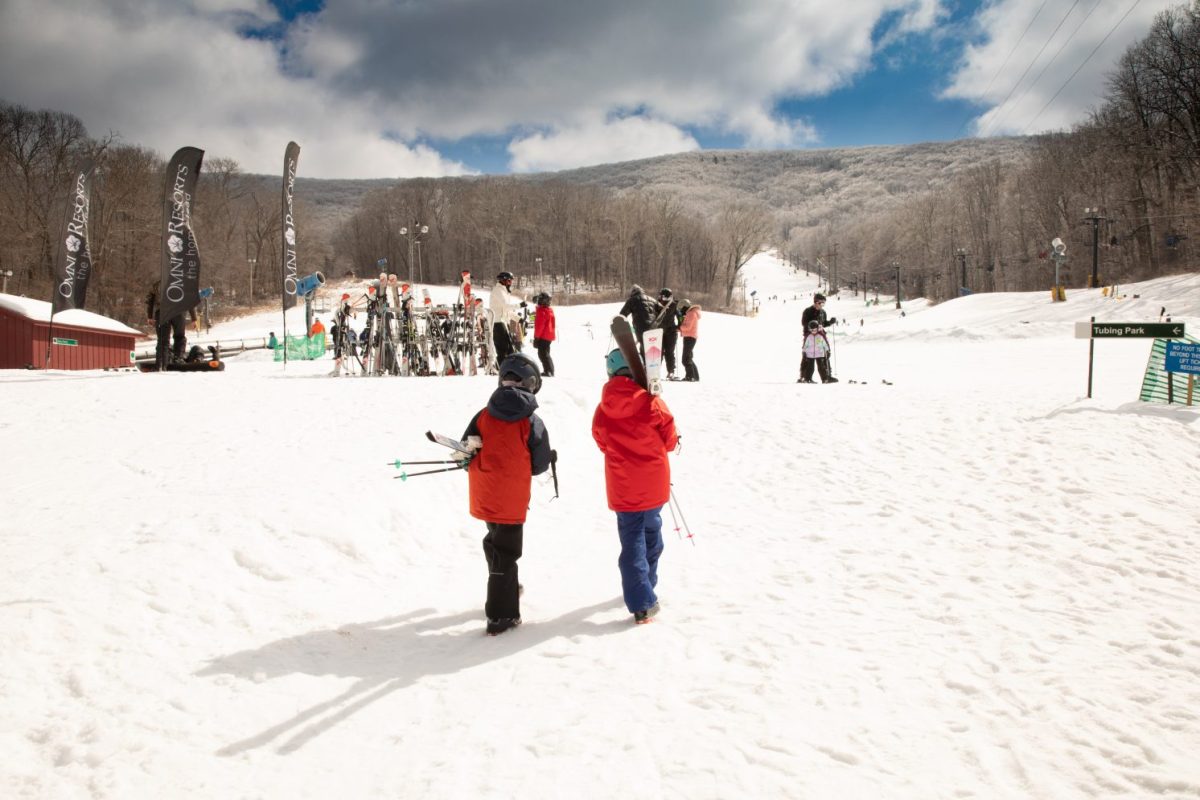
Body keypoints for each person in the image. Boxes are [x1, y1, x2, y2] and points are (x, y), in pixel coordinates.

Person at [460, 352, 553, 636]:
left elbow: (466, 447)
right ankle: (501, 615)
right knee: (506, 552)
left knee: (495, 541)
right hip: (511, 498)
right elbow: (540, 463)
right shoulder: (531, 420)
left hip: (485, 490)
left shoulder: (484, 414)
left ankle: (506, 587)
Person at [592, 348, 679, 624]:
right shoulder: (652, 402)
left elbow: (601, 441)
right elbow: (670, 441)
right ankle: (642, 599)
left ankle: (642, 585)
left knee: (633, 540)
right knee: (651, 536)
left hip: (624, 486)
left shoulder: (603, 409)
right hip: (653, 484)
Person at [145, 280, 197, 369]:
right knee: (179, 336)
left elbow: (150, 300)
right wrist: (194, 318)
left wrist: (150, 316)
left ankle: (161, 364)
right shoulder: (183, 282)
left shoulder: (157, 284)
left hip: (162, 312)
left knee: (163, 340)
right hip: (179, 311)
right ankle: (178, 360)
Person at [799, 293, 838, 383]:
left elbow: (823, 323)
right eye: (821, 303)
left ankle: (827, 376)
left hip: (820, 336)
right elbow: (804, 323)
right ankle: (804, 377)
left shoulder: (823, 312)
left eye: (824, 303)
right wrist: (813, 326)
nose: (822, 305)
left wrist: (830, 322)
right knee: (808, 356)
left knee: (824, 354)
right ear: (816, 302)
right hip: (809, 335)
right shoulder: (808, 311)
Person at [490, 271, 524, 363]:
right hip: (497, 323)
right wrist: (519, 305)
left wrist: (518, 319)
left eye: (511, 281)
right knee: (503, 349)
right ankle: (501, 369)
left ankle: (509, 369)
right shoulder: (498, 290)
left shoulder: (504, 292)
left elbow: (507, 310)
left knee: (510, 349)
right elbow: (506, 305)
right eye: (509, 281)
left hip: (503, 322)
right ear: (503, 280)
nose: (511, 283)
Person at [618, 284, 660, 358]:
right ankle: (653, 365)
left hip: (641, 328)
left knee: (644, 347)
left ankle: (644, 365)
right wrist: (657, 321)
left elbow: (622, 314)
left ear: (633, 292)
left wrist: (620, 326)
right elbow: (663, 311)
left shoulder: (632, 300)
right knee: (651, 347)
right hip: (654, 327)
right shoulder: (652, 299)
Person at [653, 288, 680, 379]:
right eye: (660, 295)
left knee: (669, 352)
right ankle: (655, 372)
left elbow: (680, 316)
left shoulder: (674, 304)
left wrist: (678, 326)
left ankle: (671, 371)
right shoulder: (656, 304)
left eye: (662, 295)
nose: (660, 297)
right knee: (658, 353)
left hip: (671, 332)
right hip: (659, 332)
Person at [533, 292, 556, 377]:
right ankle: (548, 370)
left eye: (539, 300)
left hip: (543, 336)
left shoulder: (542, 311)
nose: (538, 301)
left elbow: (539, 326)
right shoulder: (549, 310)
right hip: (548, 335)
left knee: (542, 354)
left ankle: (549, 371)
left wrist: (536, 338)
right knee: (545, 353)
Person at [678, 299, 701, 382]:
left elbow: (688, 327)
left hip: (690, 337)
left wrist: (679, 328)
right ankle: (695, 376)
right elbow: (686, 325)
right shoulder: (690, 313)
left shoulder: (691, 313)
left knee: (685, 359)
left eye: (682, 308)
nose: (682, 310)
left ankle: (690, 376)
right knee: (688, 357)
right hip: (689, 336)